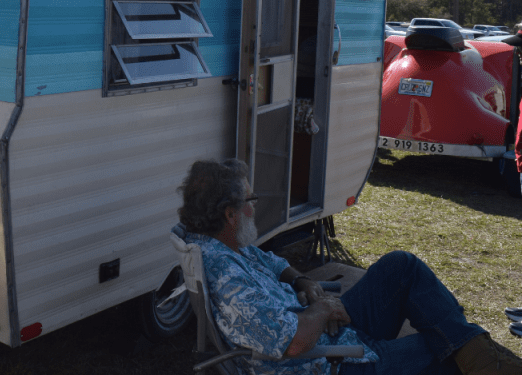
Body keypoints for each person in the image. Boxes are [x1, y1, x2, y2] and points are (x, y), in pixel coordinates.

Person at [177, 158, 522, 375]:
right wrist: (324, 308)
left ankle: (487, 361)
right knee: (442, 348)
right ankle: (489, 362)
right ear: (230, 214)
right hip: (333, 359)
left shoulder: (226, 246)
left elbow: (273, 262)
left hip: (329, 331)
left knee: (400, 267)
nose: (255, 207)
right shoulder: (231, 281)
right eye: (250, 201)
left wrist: (303, 283)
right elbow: (294, 343)